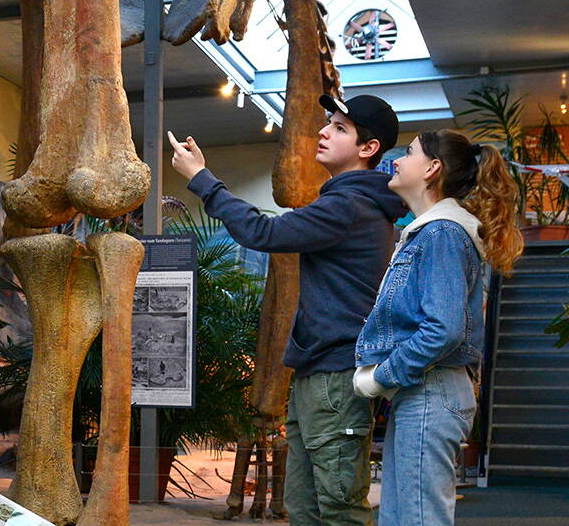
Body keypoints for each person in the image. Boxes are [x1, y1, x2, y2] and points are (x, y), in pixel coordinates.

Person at [168, 94, 407, 526]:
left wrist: (203, 179)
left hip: (335, 377)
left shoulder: (348, 205)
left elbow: (263, 232)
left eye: (339, 128)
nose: (323, 131)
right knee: (304, 507)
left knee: (337, 507)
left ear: (368, 148)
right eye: (328, 123)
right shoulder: (348, 201)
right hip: (318, 373)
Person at [352, 130, 522, 526]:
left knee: (417, 518)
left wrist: (381, 376)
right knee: (403, 516)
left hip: (431, 390)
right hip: (424, 391)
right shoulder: (434, 231)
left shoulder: (442, 233)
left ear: (432, 169)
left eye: (408, 153)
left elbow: (444, 330)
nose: (397, 159)